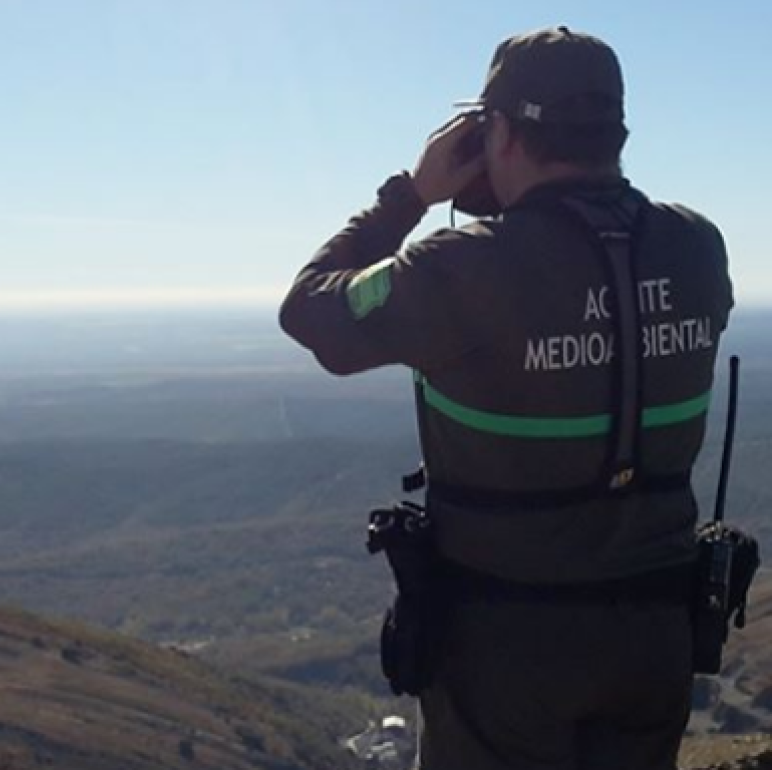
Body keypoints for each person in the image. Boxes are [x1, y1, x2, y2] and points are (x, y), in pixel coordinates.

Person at [279, 27, 733, 770]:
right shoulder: (696, 245)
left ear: (499, 132)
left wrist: (413, 196)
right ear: (614, 131)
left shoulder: (467, 265)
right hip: (658, 631)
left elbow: (312, 314)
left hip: (504, 645)